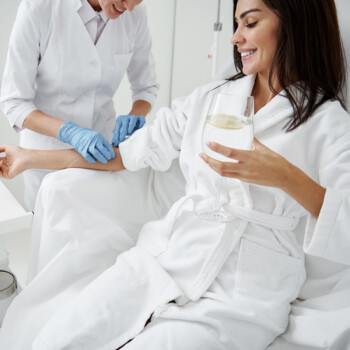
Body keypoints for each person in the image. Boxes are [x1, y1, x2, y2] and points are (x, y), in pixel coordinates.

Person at [0, 0, 349, 349]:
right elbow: (126, 156)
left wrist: (286, 176)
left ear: (294, 24)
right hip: (167, 258)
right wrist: (31, 157)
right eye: (236, 24)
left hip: (243, 292)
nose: (235, 38)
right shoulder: (213, 99)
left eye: (250, 23)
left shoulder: (328, 123)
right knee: (58, 339)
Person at [0, 0, 157, 211]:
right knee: (49, 235)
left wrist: (136, 114)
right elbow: (14, 102)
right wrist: (69, 132)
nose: (128, 8)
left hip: (101, 156)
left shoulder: (134, 14)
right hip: (44, 158)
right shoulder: (39, 8)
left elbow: (146, 87)